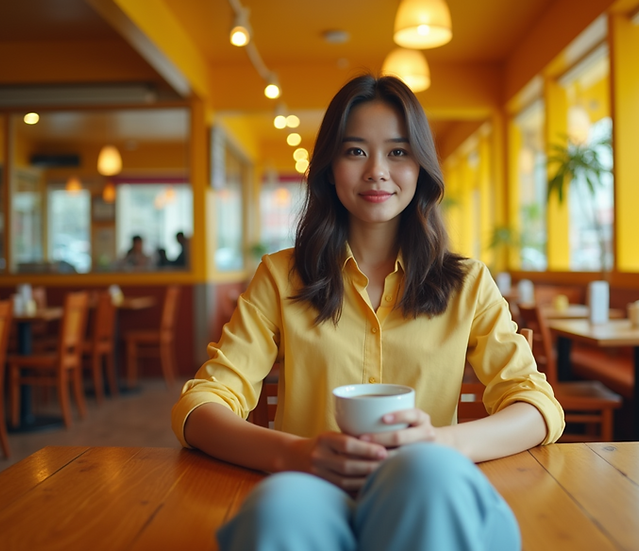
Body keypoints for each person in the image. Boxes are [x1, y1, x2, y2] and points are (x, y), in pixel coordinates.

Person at [171, 74, 564, 551]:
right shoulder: (280, 276)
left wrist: (444, 442)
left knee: (429, 475)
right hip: (312, 491)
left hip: (422, 494)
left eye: (398, 152)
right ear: (330, 168)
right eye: (355, 151)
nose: (377, 170)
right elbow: (201, 405)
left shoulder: (468, 283)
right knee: (278, 509)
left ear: (421, 166)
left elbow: (538, 406)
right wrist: (296, 453)